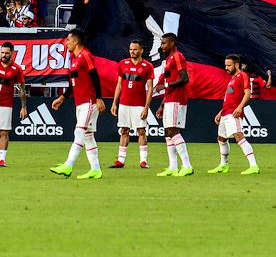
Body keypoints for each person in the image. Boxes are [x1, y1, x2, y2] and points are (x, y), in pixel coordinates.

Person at [49, 29, 106, 180]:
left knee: (79, 132)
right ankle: (96, 169)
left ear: (76, 41)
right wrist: (62, 97)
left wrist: (99, 98)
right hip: (80, 102)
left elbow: (95, 76)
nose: (66, 43)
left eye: (68, 40)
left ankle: (68, 165)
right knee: (88, 135)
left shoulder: (85, 55)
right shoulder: (73, 58)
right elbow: (73, 83)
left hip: (89, 101)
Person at [208, 54, 260, 175]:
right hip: (225, 113)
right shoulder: (231, 79)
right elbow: (229, 98)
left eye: (229, 65)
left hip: (234, 113)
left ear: (236, 64)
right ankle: (223, 165)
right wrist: (221, 112)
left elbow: (248, 93)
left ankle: (254, 166)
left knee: (238, 136)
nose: (226, 68)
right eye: (225, 65)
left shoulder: (242, 75)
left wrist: (240, 107)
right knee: (221, 138)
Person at [109, 40, 154, 169]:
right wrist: (114, 103)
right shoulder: (122, 64)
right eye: (130, 49)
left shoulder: (147, 66)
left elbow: (150, 88)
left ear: (141, 50)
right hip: (124, 103)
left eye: (135, 49)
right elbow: (119, 85)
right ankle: (120, 161)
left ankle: (143, 161)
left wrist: (146, 107)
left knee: (141, 131)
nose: (132, 52)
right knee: (124, 131)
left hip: (139, 104)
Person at [154, 32, 193, 177]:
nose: (162, 46)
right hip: (169, 99)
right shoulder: (169, 59)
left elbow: (185, 78)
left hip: (177, 99)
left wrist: (165, 85)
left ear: (172, 43)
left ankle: (187, 165)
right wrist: (162, 104)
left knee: (173, 131)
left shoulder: (177, 56)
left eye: (164, 43)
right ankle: (173, 166)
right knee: (167, 133)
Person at [0, 42, 27, 167]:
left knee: (4, 132)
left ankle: (2, 159)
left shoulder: (16, 69)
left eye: (6, 53)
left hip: (6, 104)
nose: (4, 55)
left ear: (12, 53)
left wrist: (23, 107)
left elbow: (22, 90)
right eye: (2, 52)